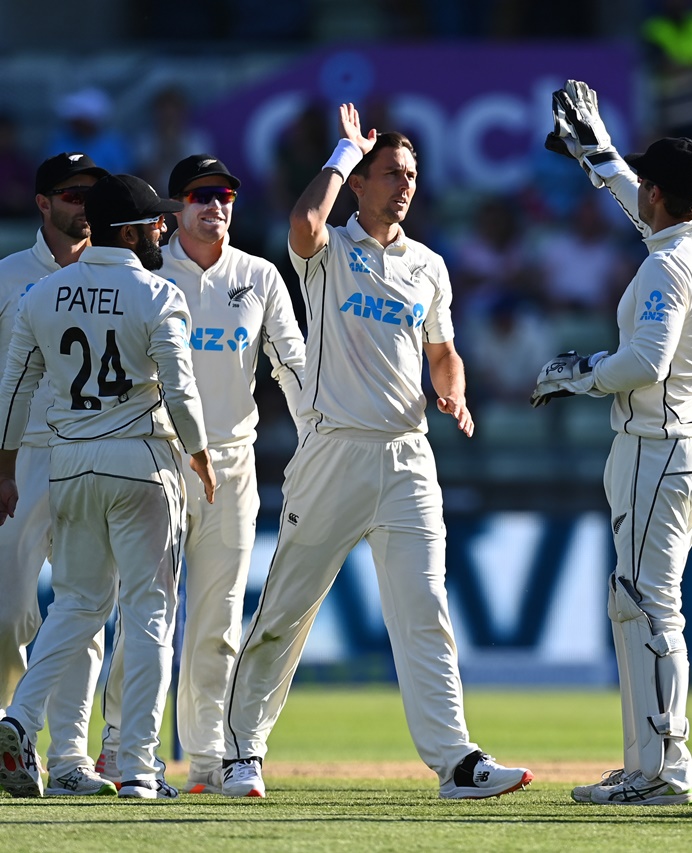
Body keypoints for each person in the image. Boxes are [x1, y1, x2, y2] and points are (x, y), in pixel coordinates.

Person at [219, 103, 532, 801]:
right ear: (358, 183)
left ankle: (455, 761)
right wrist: (339, 154)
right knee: (287, 611)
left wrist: (453, 393)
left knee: (425, 609)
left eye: (413, 174)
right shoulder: (327, 251)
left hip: (408, 456)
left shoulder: (428, 265)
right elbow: (301, 226)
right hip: (335, 450)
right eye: (391, 172)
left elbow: (444, 353)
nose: (406, 185)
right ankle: (240, 752)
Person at [538, 80, 692, 806]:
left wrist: (574, 373)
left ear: (658, 193)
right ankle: (642, 760)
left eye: (644, 181)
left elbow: (643, 363)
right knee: (635, 604)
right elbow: (649, 216)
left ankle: (666, 768)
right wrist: (604, 156)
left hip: (658, 446)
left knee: (650, 606)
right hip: (685, 444)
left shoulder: (666, 266)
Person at [93, 155, 306, 795]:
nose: (216, 206)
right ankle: (119, 748)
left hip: (233, 461)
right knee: (144, 612)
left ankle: (211, 759)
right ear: (176, 208)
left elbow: (292, 363)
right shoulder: (151, 275)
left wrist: (318, 433)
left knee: (217, 619)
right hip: (158, 457)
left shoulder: (258, 274)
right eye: (202, 196)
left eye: (226, 195)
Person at [0, 173, 215, 799]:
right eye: (156, 222)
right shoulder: (159, 295)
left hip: (69, 465)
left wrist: (7, 467)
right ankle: (139, 769)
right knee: (148, 613)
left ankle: (17, 718)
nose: (165, 229)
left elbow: (14, 391)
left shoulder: (44, 293)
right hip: (141, 464)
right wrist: (200, 455)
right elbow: (179, 388)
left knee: (74, 606)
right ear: (130, 230)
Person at [0, 152, 113, 797]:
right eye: (72, 193)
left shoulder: (116, 275)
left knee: (82, 607)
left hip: (93, 452)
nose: (83, 205)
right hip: (23, 458)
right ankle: (12, 740)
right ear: (43, 202)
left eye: (92, 195)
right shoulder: (10, 276)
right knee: (10, 614)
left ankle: (70, 757)